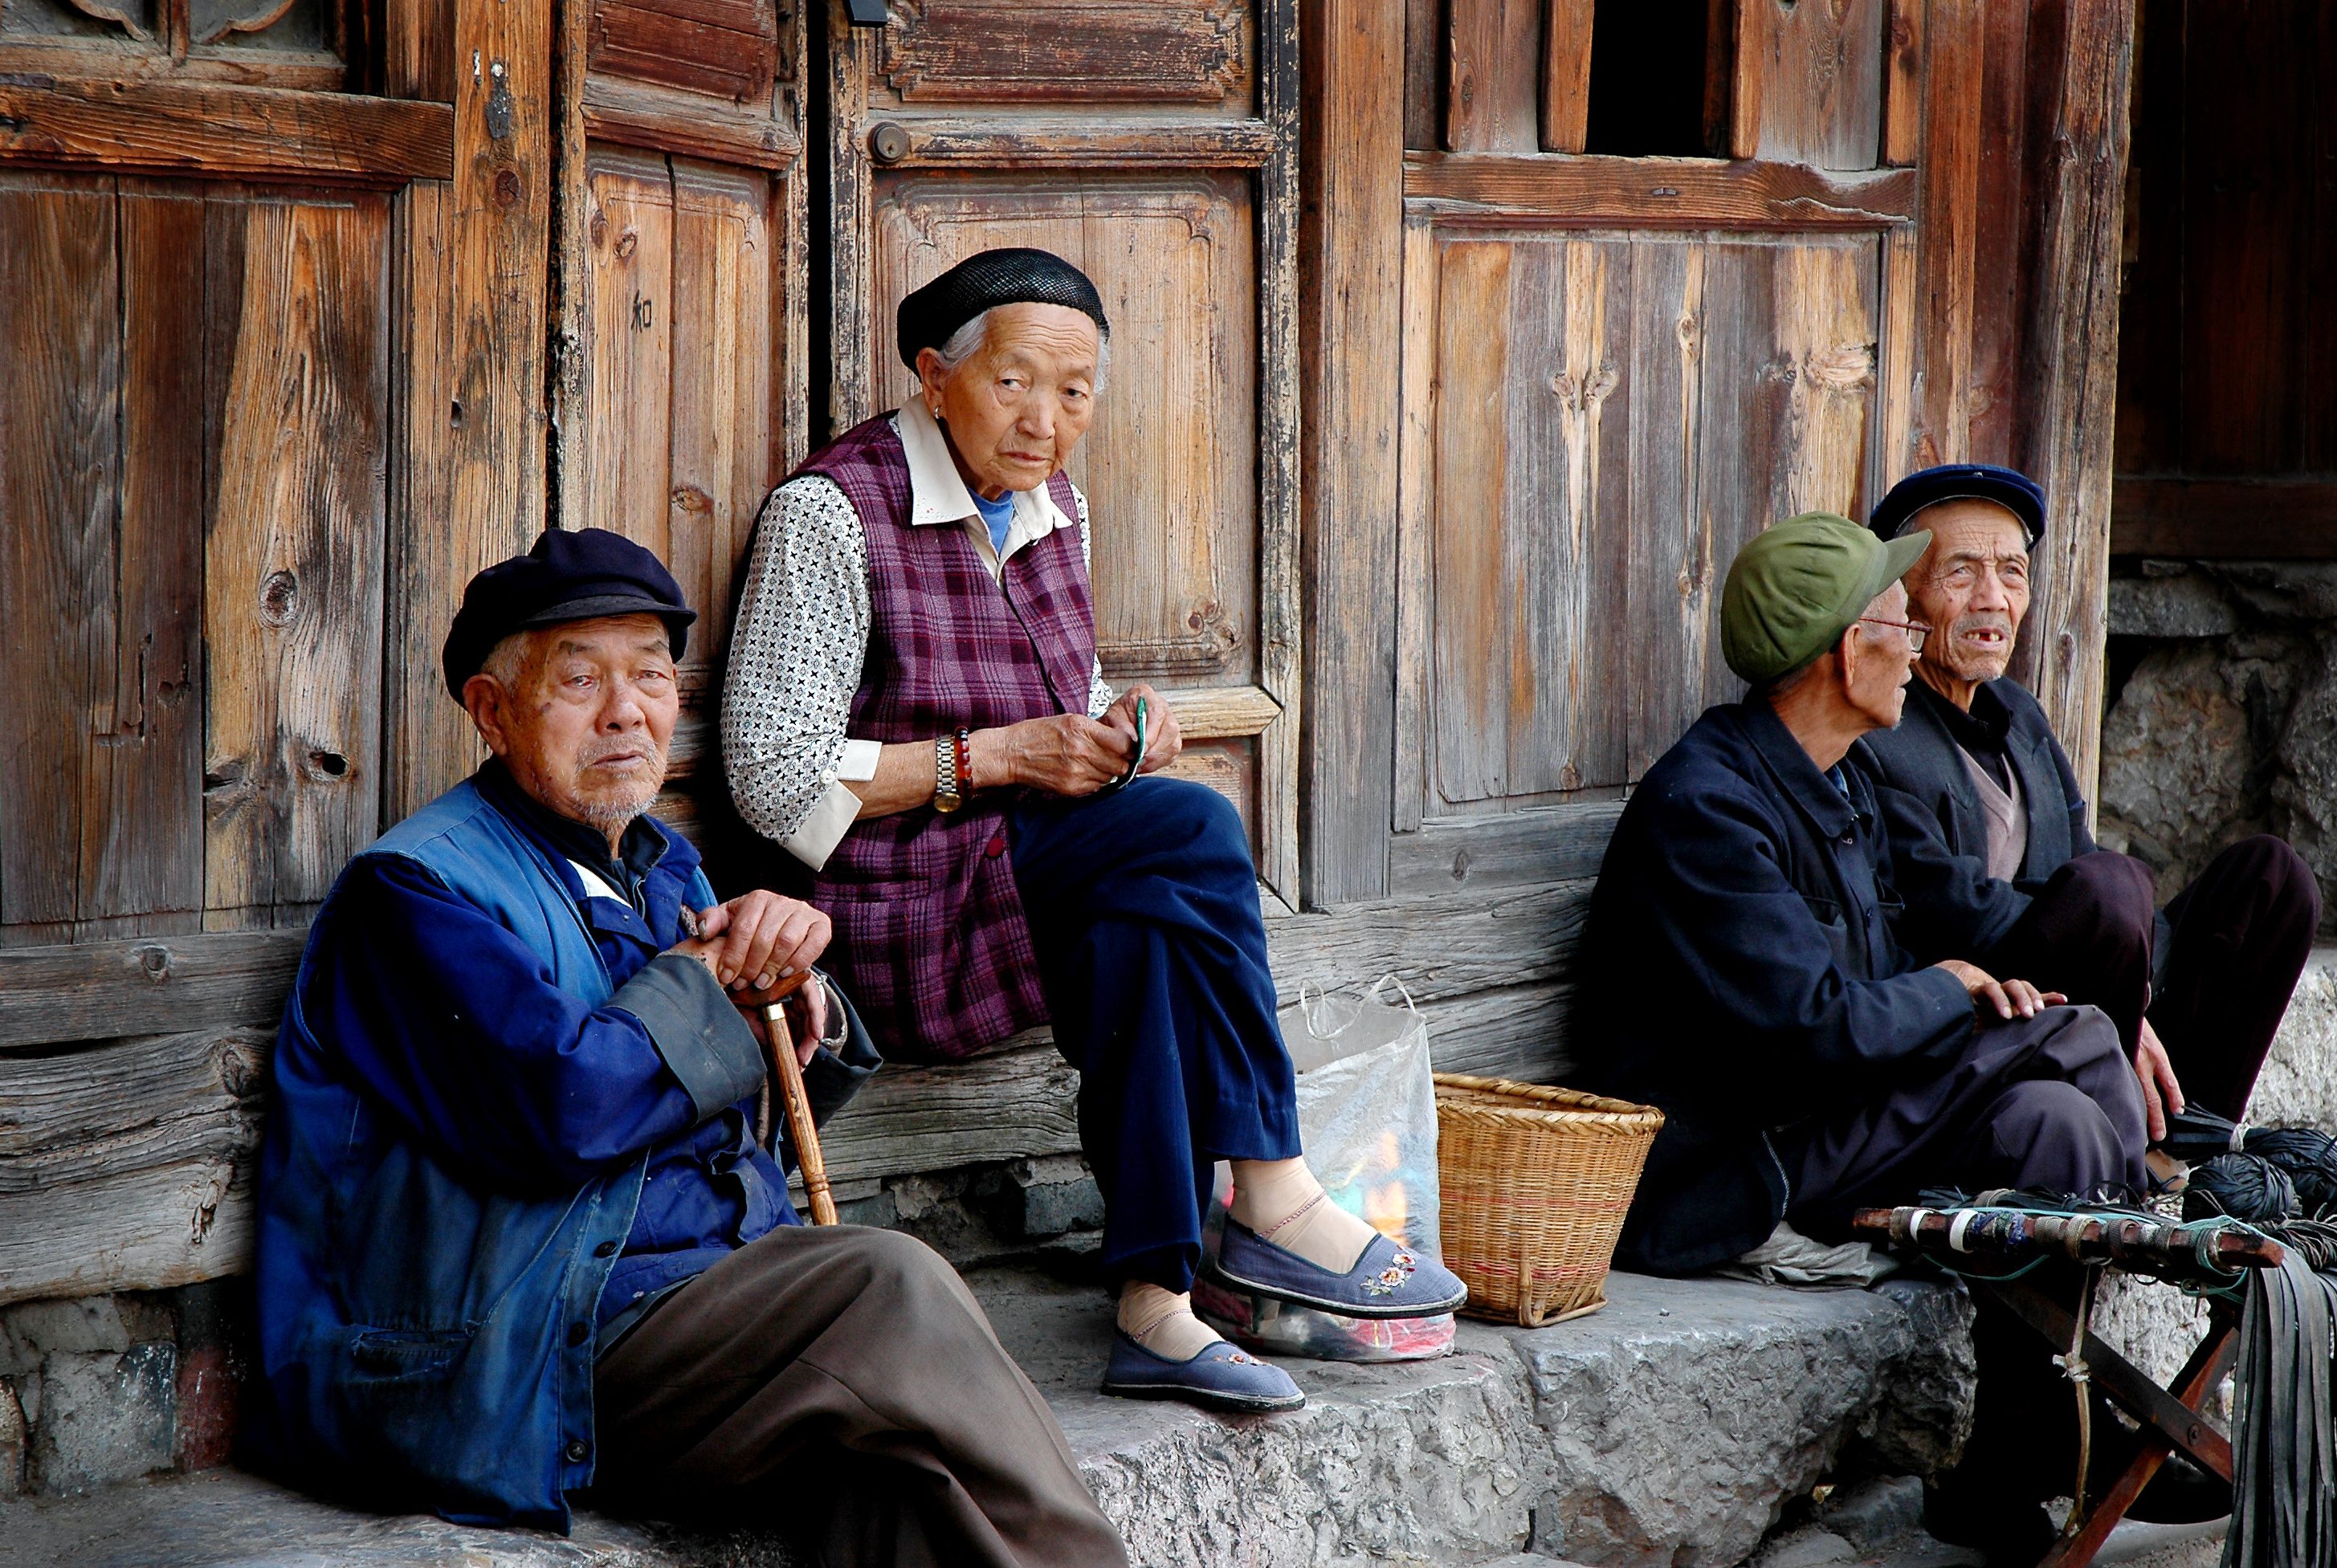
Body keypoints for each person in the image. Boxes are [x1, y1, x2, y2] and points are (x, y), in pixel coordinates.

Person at [250, 527, 1128, 1568]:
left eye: (652, 676)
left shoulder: (661, 866)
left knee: (903, 1475)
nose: (626, 712)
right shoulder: (415, 894)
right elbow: (561, 1113)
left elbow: (717, 1099)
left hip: (694, 1304)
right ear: (490, 709)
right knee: (887, 1287)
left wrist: (799, 999)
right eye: (580, 680)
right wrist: (709, 980)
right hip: (513, 1353)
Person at [722, 246, 1465, 1413]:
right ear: (933, 375)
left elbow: (1062, 701)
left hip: (1028, 867)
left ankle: (1153, 1304)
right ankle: (1270, 1185)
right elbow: (772, 778)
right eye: (1015, 383)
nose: (1045, 422)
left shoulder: (1055, 503)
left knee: (1147, 922)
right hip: (890, 904)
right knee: (1192, 830)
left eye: (1074, 393)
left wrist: (1123, 725)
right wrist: (999, 757)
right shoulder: (831, 514)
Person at [1574, 512, 2157, 1557]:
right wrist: (1948, 990)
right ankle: (2145, 1230)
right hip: (1738, 1164)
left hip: (1835, 1114)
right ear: (1849, 651)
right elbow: (1811, 1030)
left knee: (2054, 1122)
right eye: (1900, 619)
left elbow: (1887, 968)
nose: (1915, 644)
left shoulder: (1836, 774)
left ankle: (2013, 1462)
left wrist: (1960, 987)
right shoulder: (1708, 804)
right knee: (2065, 1039)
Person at [1854, 464, 2319, 1142]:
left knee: (2270, 881)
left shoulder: (2017, 711)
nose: (1992, 598)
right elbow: (1941, 906)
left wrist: (2139, 994)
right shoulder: (1879, 721)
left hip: (2087, 977)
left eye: (2011, 573)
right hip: (1990, 1004)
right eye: (1960, 573)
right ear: (1906, 597)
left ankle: (2187, 1144)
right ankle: (2120, 1132)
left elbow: (2079, 850)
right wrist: (2112, 998)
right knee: (2107, 890)